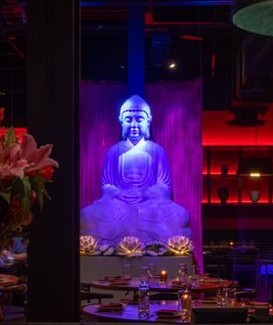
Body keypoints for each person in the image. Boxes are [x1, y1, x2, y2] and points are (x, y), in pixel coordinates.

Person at [79, 95, 190, 247]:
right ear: (121, 121)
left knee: (181, 214)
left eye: (139, 119)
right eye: (129, 119)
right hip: (118, 205)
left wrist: (145, 194)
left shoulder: (157, 151)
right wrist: (120, 193)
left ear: (148, 121)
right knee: (86, 215)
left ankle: (125, 233)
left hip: (149, 204)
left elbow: (164, 186)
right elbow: (106, 185)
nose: (134, 124)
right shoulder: (114, 151)